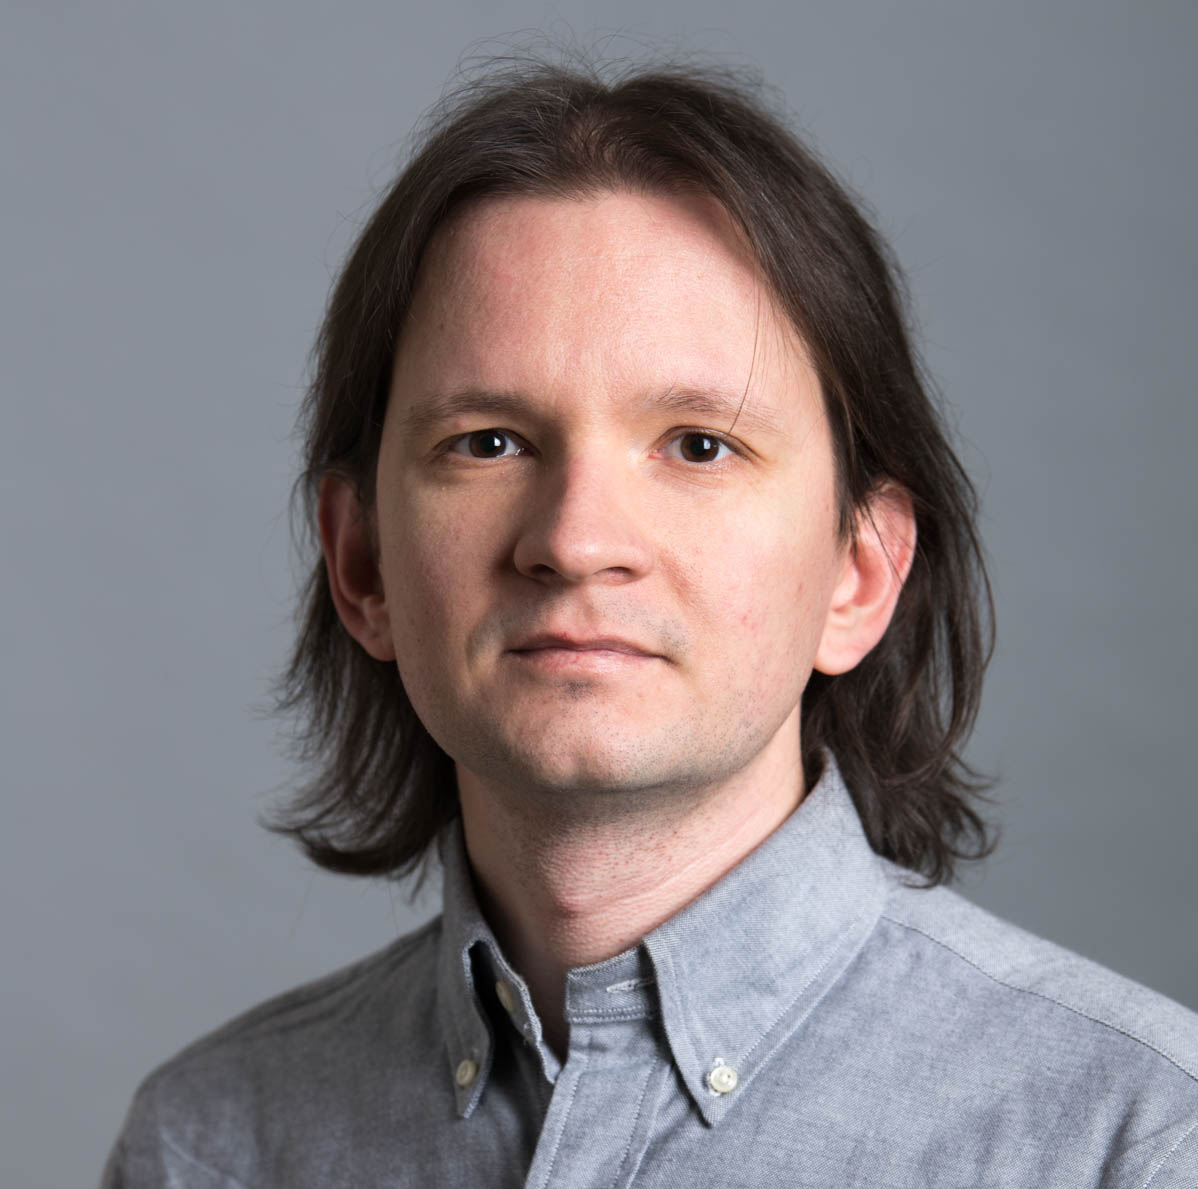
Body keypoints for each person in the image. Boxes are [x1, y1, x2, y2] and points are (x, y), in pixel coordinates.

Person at [102, 59, 1198, 1187]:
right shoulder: (209, 1150)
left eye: (698, 445)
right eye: (488, 443)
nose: (576, 540)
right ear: (362, 563)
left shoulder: (1137, 1143)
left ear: (859, 572)